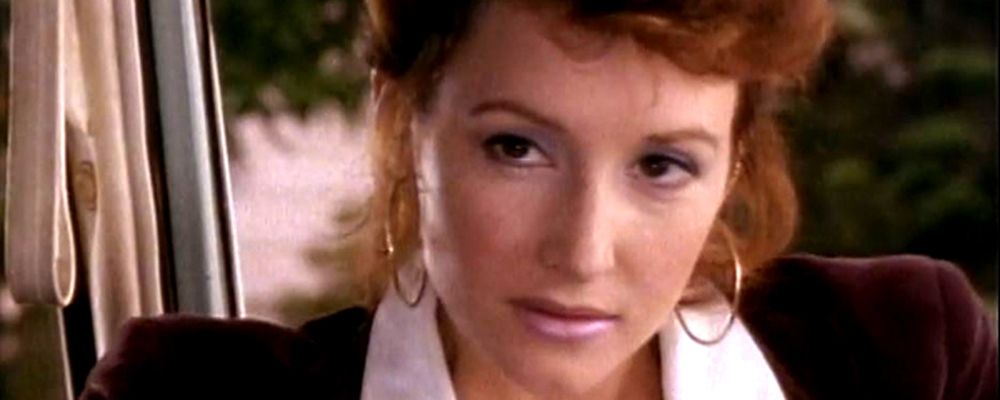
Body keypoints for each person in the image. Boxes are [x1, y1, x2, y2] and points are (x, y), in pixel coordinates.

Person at [80, 1, 997, 399]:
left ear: (735, 163)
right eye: (516, 148)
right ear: (402, 119)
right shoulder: (190, 396)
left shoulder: (905, 358)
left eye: (662, 165)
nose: (583, 251)